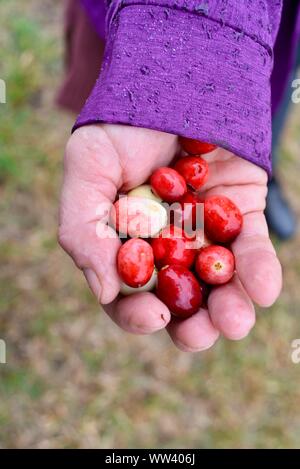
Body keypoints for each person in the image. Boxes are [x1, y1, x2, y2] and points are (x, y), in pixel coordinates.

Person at [57, 0, 299, 352]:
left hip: (274, 27)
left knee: (255, 127)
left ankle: (268, 172)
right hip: (134, 22)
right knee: (107, 87)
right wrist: (175, 38)